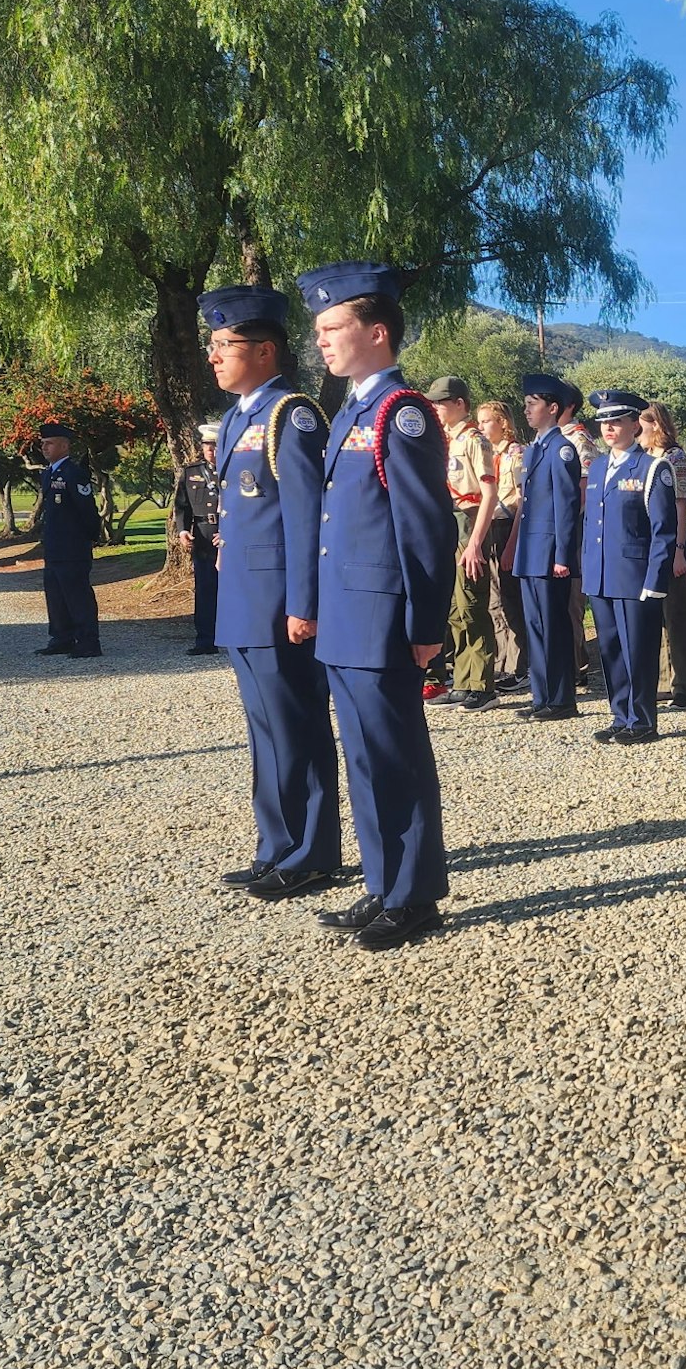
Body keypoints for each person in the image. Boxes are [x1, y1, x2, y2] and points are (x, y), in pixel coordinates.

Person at [297, 260, 455, 950]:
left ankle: (417, 896)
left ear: (378, 332)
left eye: (333, 327)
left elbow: (424, 530)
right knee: (362, 758)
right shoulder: (351, 412)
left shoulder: (402, 412)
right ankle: (385, 882)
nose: (321, 342)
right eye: (319, 330)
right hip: (346, 620)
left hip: (385, 620)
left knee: (396, 759)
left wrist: (425, 625)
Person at [201, 283, 343, 899]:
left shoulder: (291, 413)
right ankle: (276, 844)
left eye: (223, 345)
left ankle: (312, 851)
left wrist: (304, 605)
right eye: (211, 345)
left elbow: (308, 519)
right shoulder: (239, 416)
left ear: (263, 351)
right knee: (265, 728)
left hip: (279, 603)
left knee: (298, 726)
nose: (213, 356)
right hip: (243, 598)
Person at [581, 389, 678, 744]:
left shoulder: (653, 467)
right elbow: (593, 523)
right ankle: (621, 714)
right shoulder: (600, 466)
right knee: (611, 649)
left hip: (635, 578)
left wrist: (655, 580)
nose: (608, 428)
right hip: (602, 574)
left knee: (638, 649)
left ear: (635, 424)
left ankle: (643, 720)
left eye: (616, 421)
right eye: (604, 422)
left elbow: (662, 530)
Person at [508, 373, 585, 721]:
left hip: (549, 554)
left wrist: (562, 556)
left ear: (552, 408)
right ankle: (542, 695)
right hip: (531, 553)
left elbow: (566, 507)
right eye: (525, 404)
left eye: (532, 404)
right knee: (535, 625)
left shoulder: (561, 449)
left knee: (552, 626)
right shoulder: (536, 448)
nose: (526, 410)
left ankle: (561, 698)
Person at [426, 376, 500, 711]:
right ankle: (465, 679)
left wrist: (475, 543)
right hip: (449, 518)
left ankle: (481, 684)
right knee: (454, 605)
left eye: (442, 401)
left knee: (471, 602)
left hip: (468, 519)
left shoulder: (473, 440)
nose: (436, 407)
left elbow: (488, 494)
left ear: (460, 404)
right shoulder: (446, 440)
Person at [638, 401, 686, 710]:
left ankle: (683, 684)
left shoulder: (675, 458)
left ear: (656, 427)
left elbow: (680, 506)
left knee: (676, 615)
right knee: (652, 615)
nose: (638, 432)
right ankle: (660, 680)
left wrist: (678, 551)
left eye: (642, 426)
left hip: (673, 544)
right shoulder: (642, 459)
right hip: (647, 546)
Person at [32, 422, 101, 658]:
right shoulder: (48, 474)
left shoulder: (74, 473)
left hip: (72, 547)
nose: (44, 448)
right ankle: (61, 638)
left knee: (77, 595)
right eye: (43, 444)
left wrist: (91, 538)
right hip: (54, 546)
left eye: (49, 444)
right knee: (56, 595)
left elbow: (87, 511)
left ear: (64, 445)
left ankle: (88, 641)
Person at [476, 401, 529, 694]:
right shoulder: (488, 454)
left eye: (486, 421)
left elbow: (522, 500)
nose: (481, 427)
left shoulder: (516, 454)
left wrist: (513, 544)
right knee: (494, 601)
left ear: (503, 423)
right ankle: (502, 662)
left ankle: (520, 665)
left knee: (512, 598)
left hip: (510, 527)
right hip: (491, 527)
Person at [557, 390, 602, 688]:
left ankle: (576, 664)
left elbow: (584, 489)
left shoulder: (578, 440)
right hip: (559, 527)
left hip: (575, 527)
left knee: (572, 599)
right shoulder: (555, 437)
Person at [172, 423, 223, 655]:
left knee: (233, 590)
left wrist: (229, 531)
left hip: (228, 537)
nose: (211, 450)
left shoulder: (233, 470)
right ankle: (205, 640)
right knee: (205, 590)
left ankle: (233, 637)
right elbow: (182, 506)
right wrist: (182, 530)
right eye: (207, 446)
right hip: (202, 536)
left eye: (215, 446)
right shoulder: (191, 471)